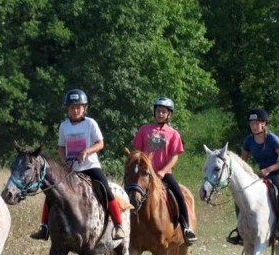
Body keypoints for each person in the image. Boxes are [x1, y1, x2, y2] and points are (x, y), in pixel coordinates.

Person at [30, 89, 125, 241]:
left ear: (84, 108)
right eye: (72, 107)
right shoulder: (64, 126)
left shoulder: (90, 123)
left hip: (91, 166)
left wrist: (87, 151)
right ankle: (44, 227)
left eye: (78, 107)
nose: (75, 110)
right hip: (71, 169)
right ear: (67, 109)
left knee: (106, 191)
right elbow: (61, 146)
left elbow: (100, 143)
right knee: (52, 192)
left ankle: (118, 225)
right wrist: (64, 161)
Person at [131, 97, 197, 244]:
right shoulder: (144, 130)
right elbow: (138, 151)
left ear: (169, 115)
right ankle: (123, 225)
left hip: (164, 174)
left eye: (163, 111)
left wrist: (162, 171)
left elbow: (175, 156)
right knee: (130, 191)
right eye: (158, 111)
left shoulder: (173, 133)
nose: (160, 114)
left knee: (178, 195)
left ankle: (186, 227)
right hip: (145, 174)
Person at [227, 107, 279, 245]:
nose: (254, 126)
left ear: (264, 124)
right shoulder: (248, 141)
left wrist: (269, 169)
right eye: (252, 124)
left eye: (257, 123)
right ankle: (241, 230)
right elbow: (242, 163)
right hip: (263, 175)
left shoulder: (273, 139)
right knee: (241, 196)